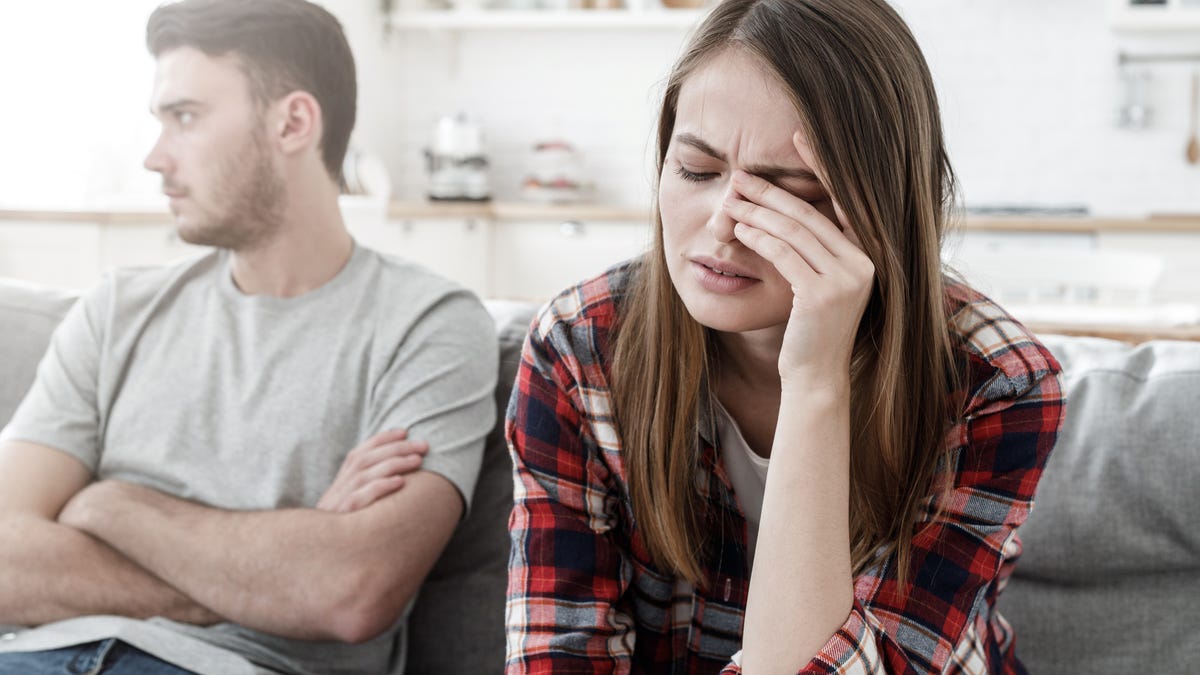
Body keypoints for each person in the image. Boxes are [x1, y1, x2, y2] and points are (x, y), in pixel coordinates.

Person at [504, 0, 1066, 672]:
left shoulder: (996, 381)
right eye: (696, 171)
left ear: (881, 207)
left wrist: (816, 381)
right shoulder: (578, 348)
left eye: (789, 193)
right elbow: (558, 656)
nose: (722, 227)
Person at [0, 1, 497, 673]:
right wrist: (271, 571)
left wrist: (109, 504)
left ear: (291, 122)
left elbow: (351, 591)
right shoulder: (115, 310)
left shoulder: (429, 324)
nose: (153, 158)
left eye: (185, 117)